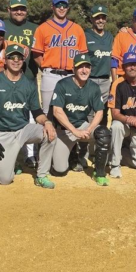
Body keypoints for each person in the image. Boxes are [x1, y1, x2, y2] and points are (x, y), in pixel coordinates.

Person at [0, 44, 56, 187]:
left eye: (19, 58)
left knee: (49, 133)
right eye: (12, 57)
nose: (16, 60)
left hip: (22, 130)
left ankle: (42, 175)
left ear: (23, 60)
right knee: (4, 180)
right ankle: (11, 161)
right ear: (5, 60)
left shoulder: (28, 84)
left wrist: (47, 122)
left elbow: (37, 112)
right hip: (2, 132)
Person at [38, 54, 111, 186]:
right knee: (60, 171)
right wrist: (74, 131)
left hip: (82, 126)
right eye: (80, 67)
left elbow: (100, 112)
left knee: (103, 133)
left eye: (87, 67)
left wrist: (89, 128)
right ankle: (70, 155)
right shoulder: (63, 84)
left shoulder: (93, 87)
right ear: (73, 69)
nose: (84, 70)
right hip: (63, 130)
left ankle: (99, 174)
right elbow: (57, 111)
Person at [31, 0, 88, 114]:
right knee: (48, 112)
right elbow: (36, 55)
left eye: (64, 5)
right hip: (50, 75)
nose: (61, 8)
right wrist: (46, 69)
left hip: (71, 75)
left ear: (68, 7)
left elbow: (83, 55)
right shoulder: (42, 28)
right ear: (52, 7)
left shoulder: (77, 29)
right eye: (58, 5)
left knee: (71, 112)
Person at [4, 0, 40, 169]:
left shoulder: (35, 28)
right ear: (9, 10)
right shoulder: (2, 26)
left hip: (29, 79)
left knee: (30, 118)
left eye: (22, 9)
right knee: (9, 115)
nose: (19, 11)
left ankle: (30, 154)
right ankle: (10, 154)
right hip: (6, 81)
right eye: (15, 8)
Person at [85, 5, 113, 126]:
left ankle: (102, 136)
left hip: (105, 80)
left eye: (103, 17)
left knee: (103, 111)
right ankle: (87, 136)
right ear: (92, 19)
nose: (100, 20)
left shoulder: (110, 36)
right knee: (89, 111)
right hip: (90, 79)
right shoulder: (86, 34)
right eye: (97, 18)